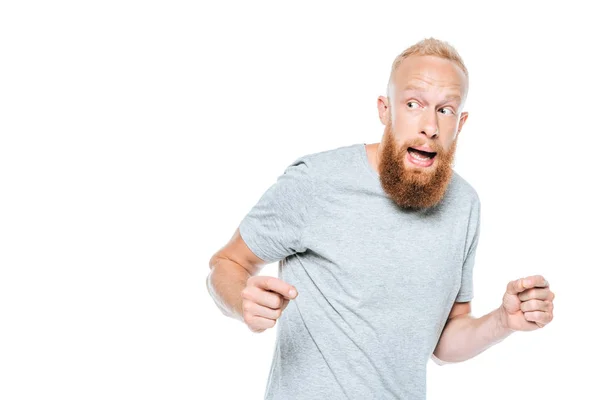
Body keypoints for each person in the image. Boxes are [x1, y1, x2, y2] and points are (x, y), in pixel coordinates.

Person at [206, 37, 555, 400]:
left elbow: (445, 340)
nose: (429, 126)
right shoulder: (317, 181)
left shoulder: (464, 205)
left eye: (445, 110)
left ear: (460, 123)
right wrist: (241, 299)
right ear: (385, 110)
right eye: (413, 104)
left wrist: (503, 320)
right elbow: (227, 262)